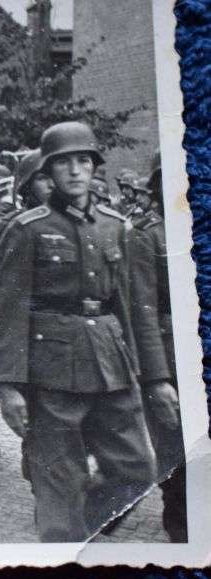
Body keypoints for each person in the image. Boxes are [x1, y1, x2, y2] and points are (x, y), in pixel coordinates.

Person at [0, 121, 160, 542]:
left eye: (83, 161)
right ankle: (63, 542)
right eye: (64, 163)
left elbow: (132, 306)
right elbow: (6, 309)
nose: (75, 171)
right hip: (52, 371)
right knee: (59, 482)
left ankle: (82, 523)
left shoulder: (115, 225)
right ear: (49, 172)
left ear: (94, 168)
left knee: (138, 470)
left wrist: (154, 376)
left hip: (110, 363)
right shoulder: (27, 228)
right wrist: (9, 386)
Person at [128, 162, 186, 542]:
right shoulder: (146, 237)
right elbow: (142, 312)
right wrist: (157, 377)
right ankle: (180, 523)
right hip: (170, 354)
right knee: (174, 446)